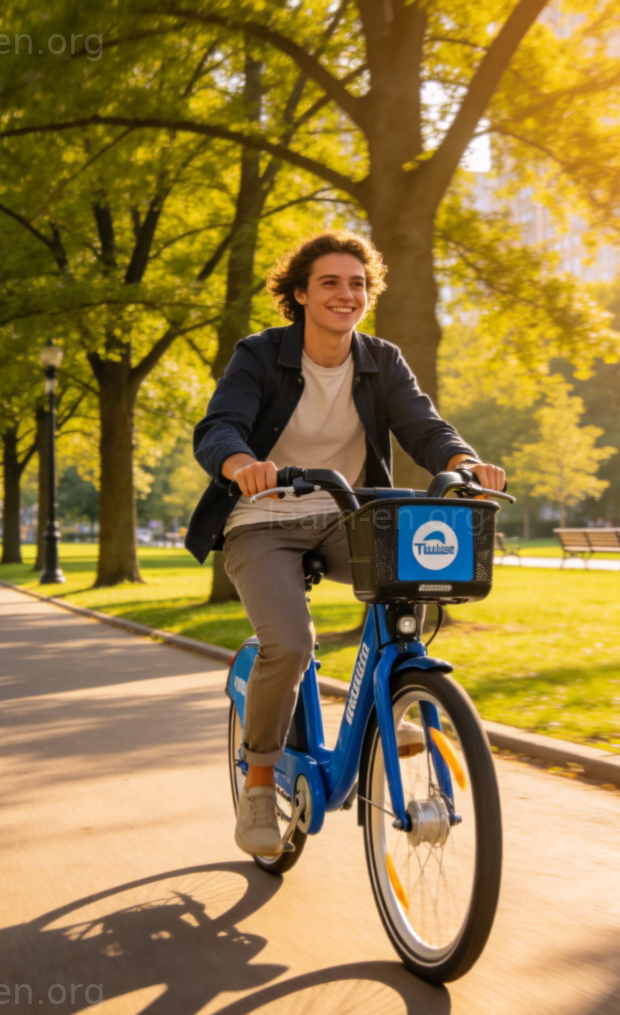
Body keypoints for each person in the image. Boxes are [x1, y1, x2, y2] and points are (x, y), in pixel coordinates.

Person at [185, 230, 505, 856]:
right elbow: (219, 426)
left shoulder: (380, 359)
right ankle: (257, 786)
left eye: (357, 283)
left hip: (345, 512)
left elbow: (424, 424)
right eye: (330, 282)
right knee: (291, 642)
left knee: (408, 581)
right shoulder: (260, 353)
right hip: (263, 519)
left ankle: (395, 700)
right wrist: (242, 463)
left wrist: (464, 461)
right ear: (300, 294)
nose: (346, 293)